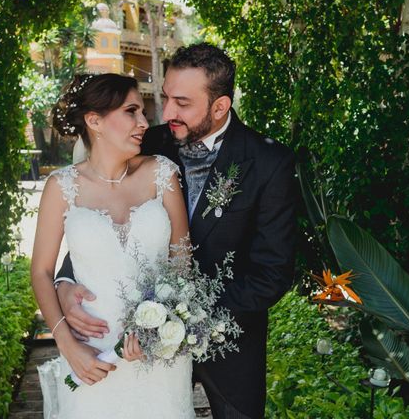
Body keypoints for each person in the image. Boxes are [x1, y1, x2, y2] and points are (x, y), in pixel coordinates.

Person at [55, 43, 297, 418]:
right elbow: (102, 217)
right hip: (134, 349)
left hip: (230, 349)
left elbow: (272, 273)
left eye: (182, 103)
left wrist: (182, 319)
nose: (166, 112)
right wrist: (66, 282)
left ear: (220, 107)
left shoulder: (270, 163)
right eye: (165, 97)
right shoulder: (143, 142)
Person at [30, 73, 196, 418]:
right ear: (95, 121)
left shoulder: (162, 174)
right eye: (131, 111)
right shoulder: (61, 187)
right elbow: (42, 272)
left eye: (142, 112)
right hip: (91, 353)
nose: (143, 122)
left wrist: (160, 329)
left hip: (159, 356)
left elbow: (182, 261)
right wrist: (68, 345)